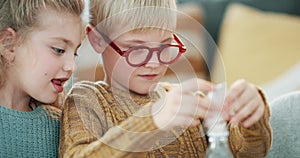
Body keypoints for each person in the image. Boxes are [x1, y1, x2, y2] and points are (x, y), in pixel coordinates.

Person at [59, 0, 272, 157]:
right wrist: (152, 122)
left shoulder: (183, 101)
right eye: (137, 49)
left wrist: (251, 118)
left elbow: (247, 153)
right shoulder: (86, 100)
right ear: (97, 40)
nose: (154, 63)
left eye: (164, 46)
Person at [0, 0, 87, 157]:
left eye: (75, 53)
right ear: (9, 44)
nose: (71, 66)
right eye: (59, 50)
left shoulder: (64, 129)